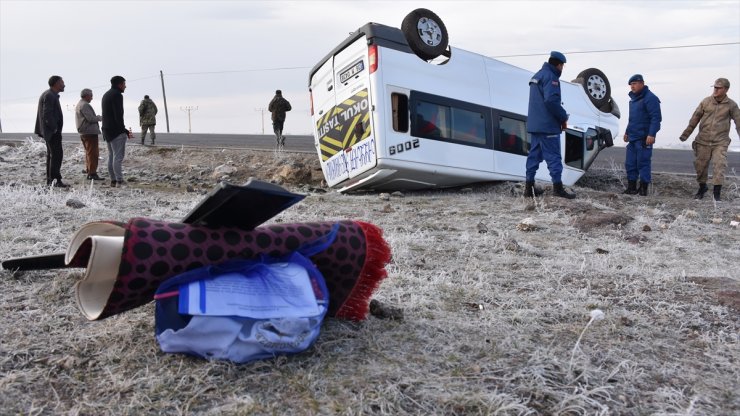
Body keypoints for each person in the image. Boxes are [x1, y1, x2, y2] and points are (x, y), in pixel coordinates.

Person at [679, 78, 740, 201]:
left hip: (720, 142)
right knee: (700, 167)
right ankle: (702, 188)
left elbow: (739, 122)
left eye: (719, 88)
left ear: (726, 89)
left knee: (719, 166)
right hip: (703, 141)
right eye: (715, 87)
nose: (715, 90)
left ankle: (716, 195)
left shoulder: (732, 105)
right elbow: (694, 119)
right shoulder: (706, 102)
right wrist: (685, 134)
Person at [524, 51, 575, 199]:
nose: (562, 69)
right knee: (553, 157)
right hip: (547, 125)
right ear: (559, 65)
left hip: (535, 125)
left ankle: (529, 188)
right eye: (562, 66)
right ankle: (558, 188)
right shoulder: (551, 77)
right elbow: (551, 101)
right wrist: (563, 117)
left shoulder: (537, 75)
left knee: (533, 156)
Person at [623, 74, 662, 196]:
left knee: (643, 163)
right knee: (630, 164)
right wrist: (627, 132)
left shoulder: (651, 98)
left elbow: (656, 118)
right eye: (631, 84)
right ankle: (632, 188)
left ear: (642, 83)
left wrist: (652, 134)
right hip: (633, 138)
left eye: (634, 84)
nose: (632, 87)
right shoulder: (633, 100)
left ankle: (643, 190)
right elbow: (632, 119)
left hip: (644, 139)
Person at [34, 75, 69, 187]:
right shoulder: (49, 95)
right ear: (56, 83)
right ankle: (55, 181)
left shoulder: (50, 94)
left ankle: (51, 180)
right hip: (51, 132)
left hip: (50, 131)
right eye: (62, 82)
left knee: (52, 155)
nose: (64, 85)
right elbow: (47, 114)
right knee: (56, 155)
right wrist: (54, 128)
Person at [101, 75, 132, 187]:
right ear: (119, 84)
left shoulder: (106, 94)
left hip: (106, 130)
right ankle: (119, 181)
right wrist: (123, 130)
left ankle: (113, 180)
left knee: (111, 156)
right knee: (118, 157)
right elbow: (118, 115)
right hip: (116, 131)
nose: (125, 86)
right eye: (124, 84)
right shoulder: (117, 95)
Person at [75, 88, 104, 181]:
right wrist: (100, 118)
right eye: (91, 95)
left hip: (84, 132)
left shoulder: (80, 104)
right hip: (89, 132)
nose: (92, 97)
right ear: (86, 95)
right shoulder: (85, 105)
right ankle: (92, 173)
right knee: (93, 153)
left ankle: (89, 170)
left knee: (89, 152)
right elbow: (91, 119)